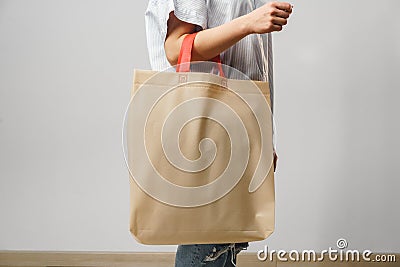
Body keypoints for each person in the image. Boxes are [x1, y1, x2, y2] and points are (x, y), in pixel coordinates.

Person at [145, 1, 293, 266]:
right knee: (206, 242)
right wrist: (248, 22)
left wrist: (264, 137)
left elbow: (252, 65)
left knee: (222, 243)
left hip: (236, 131)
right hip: (210, 133)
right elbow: (176, 49)